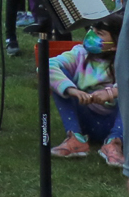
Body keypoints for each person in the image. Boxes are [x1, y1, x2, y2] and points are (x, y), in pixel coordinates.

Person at [49, 18, 124, 166]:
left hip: (117, 122)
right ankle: (76, 138)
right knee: (59, 79)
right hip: (86, 121)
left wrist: (111, 93)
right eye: (91, 30)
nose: (91, 35)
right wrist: (71, 90)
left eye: (99, 33)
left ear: (115, 44)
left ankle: (114, 142)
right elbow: (47, 66)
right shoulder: (79, 53)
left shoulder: (125, 61)